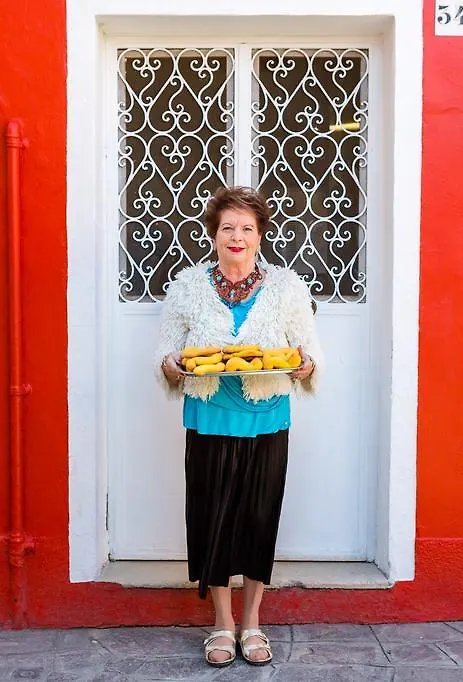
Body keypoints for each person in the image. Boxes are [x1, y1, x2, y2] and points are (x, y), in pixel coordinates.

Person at [155, 185, 323, 668]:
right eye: (227, 227)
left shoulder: (287, 287)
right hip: (208, 419)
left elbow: (310, 352)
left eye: (247, 228)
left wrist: (304, 365)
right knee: (213, 520)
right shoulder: (187, 287)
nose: (237, 236)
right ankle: (221, 626)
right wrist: (173, 364)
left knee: (257, 520)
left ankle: (252, 623)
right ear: (213, 235)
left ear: (260, 236)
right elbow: (166, 355)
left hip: (268, 419)